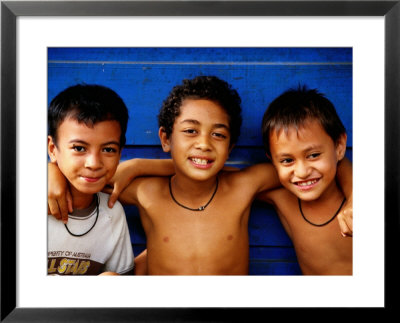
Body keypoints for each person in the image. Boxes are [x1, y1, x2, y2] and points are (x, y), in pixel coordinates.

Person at [49, 76, 352, 275]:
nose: (204, 144)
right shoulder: (145, 192)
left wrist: (356, 196)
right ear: (165, 139)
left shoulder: (245, 185)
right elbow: (86, 177)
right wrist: (50, 172)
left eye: (218, 135)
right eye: (191, 131)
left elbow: (326, 165)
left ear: (231, 146)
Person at [256, 86, 353, 275]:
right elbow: (223, 179)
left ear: (340, 147)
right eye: (287, 160)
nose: (301, 172)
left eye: (314, 155)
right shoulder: (282, 198)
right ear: (272, 161)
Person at [47, 84, 135, 275]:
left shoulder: (112, 214)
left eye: (108, 150)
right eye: (79, 148)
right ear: (53, 149)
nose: (94, 163)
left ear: (120, 153)